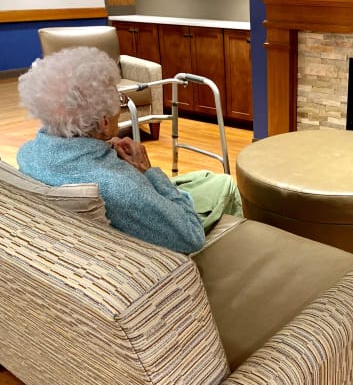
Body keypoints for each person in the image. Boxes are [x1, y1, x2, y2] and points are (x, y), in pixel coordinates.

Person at [16, 46, 243, 254]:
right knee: (225, 183)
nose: (121, 104)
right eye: (120, 98)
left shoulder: (27, 154)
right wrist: (147, 171)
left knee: (202, 177)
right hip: (162, 233)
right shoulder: (120, 186)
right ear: (104, 122)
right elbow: (191, 235)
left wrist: (102, 147)